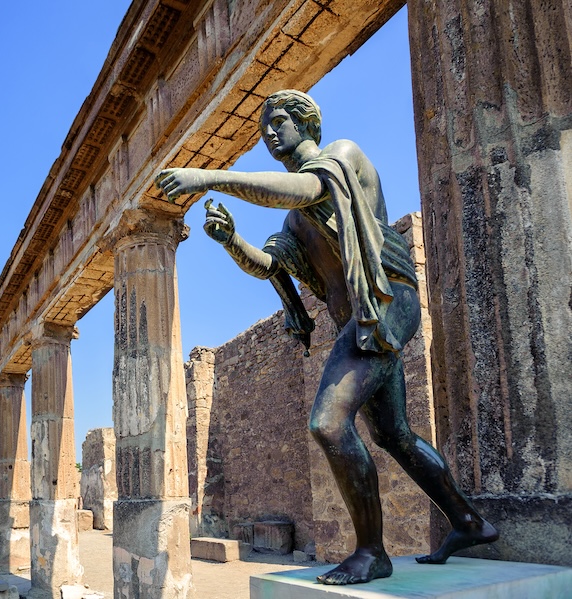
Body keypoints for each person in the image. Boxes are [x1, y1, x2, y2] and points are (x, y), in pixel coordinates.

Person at [155, 90, 498, 585]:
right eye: (263, 129)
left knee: (328, 423)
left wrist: (208, 177)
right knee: (394, 435)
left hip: (383, 305)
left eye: (277, 122)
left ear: (305, 122)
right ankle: (468, 522)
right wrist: (232, 241)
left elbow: (304, 190)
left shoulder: (341, 156)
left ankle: (371, 551)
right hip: (362, 320)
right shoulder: (294, 221)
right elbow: (272, 265)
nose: (269, 134)